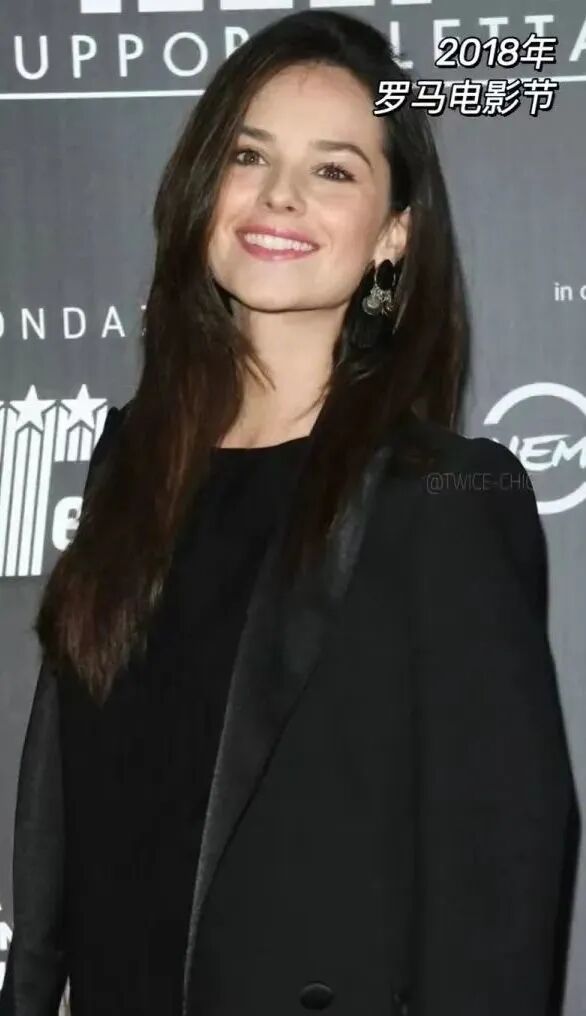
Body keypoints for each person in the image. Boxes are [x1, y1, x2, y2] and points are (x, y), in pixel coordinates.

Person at [0, 9, 577, 1016]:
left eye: (334, 170)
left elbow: (498, 879)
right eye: (248, 155)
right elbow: (67, 792)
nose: (279, 195)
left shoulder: (444, 498)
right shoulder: (133, 462)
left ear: (394, 233)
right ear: (202, 186)